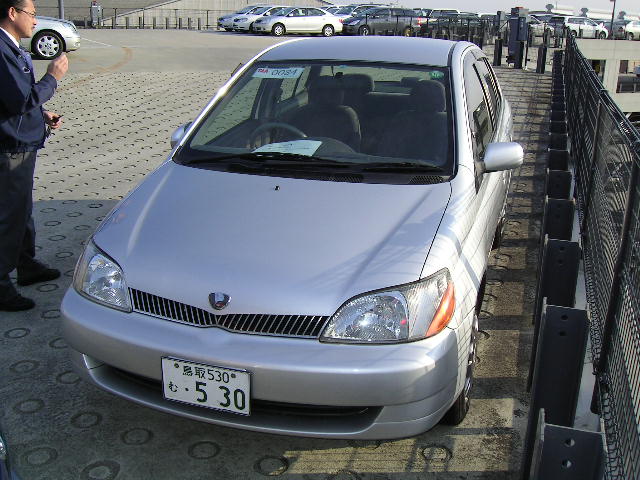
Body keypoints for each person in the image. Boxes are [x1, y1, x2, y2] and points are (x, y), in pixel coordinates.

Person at [0, 0, 68, 311]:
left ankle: (26, 265)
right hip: (11, 147)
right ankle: (1, 283)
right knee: (10, 216)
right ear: (12, 12)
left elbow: (16, 99)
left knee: (22, 211)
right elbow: (19, 99)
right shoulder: (1, 51)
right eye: (31, 12)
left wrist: (42, 114)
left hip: (23, 141)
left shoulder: (11, 47)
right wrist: (52, 77)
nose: (35, 19)